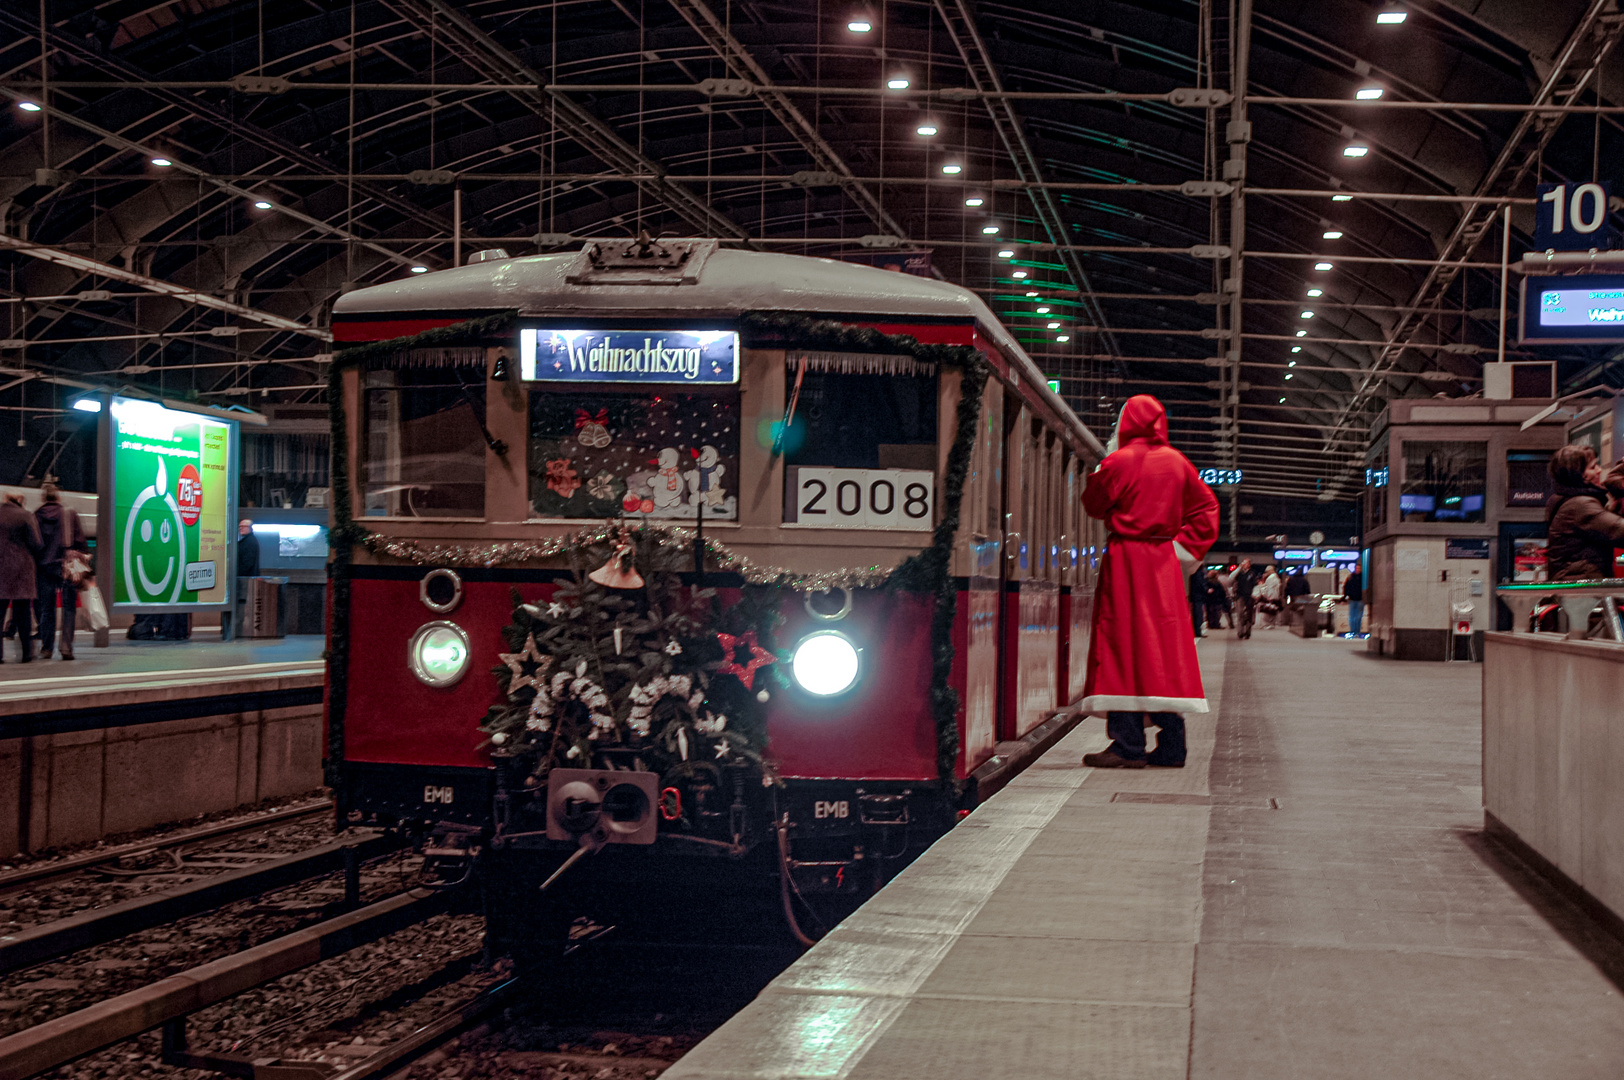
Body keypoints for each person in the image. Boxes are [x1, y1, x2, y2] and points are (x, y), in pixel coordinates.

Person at [1078, 395, 1219, 770]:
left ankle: (1128, 746)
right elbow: (1207, 509)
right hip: (1163, 565)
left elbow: (1093, 503)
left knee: (1121, 648)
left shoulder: (1118, 461)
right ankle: (1173, 746)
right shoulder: (1178, 463)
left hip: (1126, 563)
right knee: (1162, 654)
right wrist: (1182, 549)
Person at [1545, 444, 1624, 581]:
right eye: (1593, 467)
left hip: (1575, 589)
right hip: (1583, 592)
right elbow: (1618, 531)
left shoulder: (1566, 500)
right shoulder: (1580, 506)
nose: (1599, 470)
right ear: (1580, 475)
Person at [34, 483, 86, 660]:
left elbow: (34, 543)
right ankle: (66, 648)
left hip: (44, 567)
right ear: (58, 497)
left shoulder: (36, 516)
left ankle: (47, 648)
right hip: (67, 567)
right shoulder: (69, 514)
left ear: (43, 498)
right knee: (69, 607)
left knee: (46, 609)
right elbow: (80, 541)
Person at [0, 493, 42, 663]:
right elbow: (36, 542)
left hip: (1, 569)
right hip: (22, 570)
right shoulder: (25, 515)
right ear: (20, 501)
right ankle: (26, 653)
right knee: (23, 614)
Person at [1232, 558, 1260, 639]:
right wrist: (1238, 568)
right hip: (1240, 595)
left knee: (1249, 615)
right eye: (1242, 563)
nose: (1243, 564)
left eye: (1245, 563)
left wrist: (1255, 594)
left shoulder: (1252, 573)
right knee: (1240, 614)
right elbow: (1231, 578)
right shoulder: (1239, 573)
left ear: (1249, 564)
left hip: (1249, 596)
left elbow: (1255, 585)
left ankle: (1247, 632)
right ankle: (1240, 632)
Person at [1342, 566, 1365, 638]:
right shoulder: (1363, 578)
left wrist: (1345, 597)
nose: (1358, 570)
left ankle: (1355, 632)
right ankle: (1354, 631)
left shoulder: (1351, 577)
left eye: (1359, 568)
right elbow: (1346, 588)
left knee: (1356, 617)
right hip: (1355, 599)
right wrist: (1344, 597)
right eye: (1357, 568)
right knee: (1355, 617)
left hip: (1358, 599)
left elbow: (1346, 587)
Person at [1189, 567, 1207, 638]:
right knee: (1199, 615)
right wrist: (1206, 590)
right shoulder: (1199, 574)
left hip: (1194, 597)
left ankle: (1195, 631)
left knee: (1195, 614)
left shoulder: (1192, 574)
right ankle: (1197, 632)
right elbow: (1201, 584)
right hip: (1198, 597)